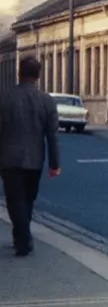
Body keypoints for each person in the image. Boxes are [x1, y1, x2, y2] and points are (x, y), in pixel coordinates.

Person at [0, 56, 61, 256]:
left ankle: (22, 238)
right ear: (38, 76)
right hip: (35, 159)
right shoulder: (46, 101)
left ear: (19, 73)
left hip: (8, 158)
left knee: (14, 199)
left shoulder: (5, 98)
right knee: (27, 199)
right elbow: (52, 135)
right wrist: (55, 164)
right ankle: (23, 238)